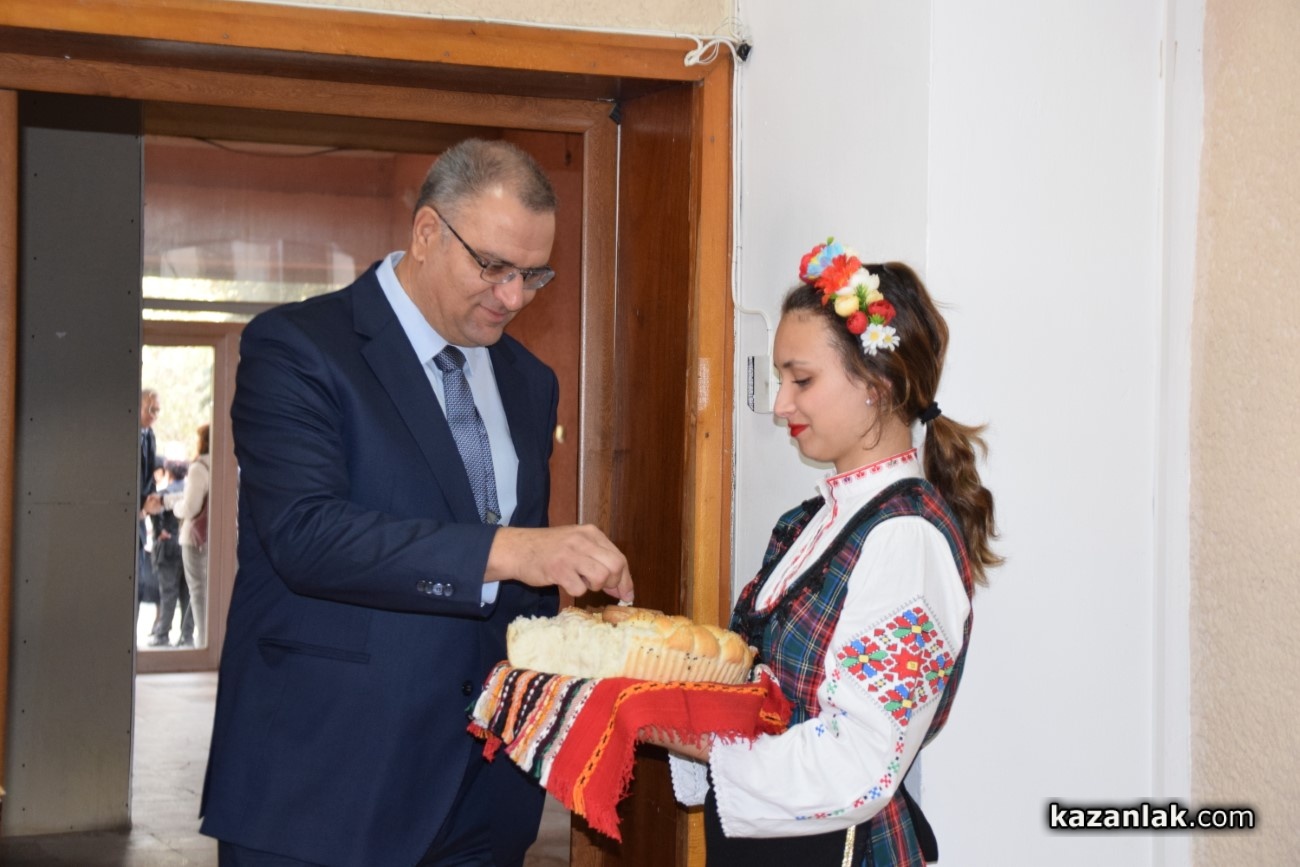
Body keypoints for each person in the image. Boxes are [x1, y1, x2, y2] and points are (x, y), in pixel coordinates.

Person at [200, 138, 634, 867]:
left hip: (484, 796)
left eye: (533, 275)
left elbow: (516, 594)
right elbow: (307, 535)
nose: (514, 298)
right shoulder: (299, 347)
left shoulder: (530, 380)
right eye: (493, 267)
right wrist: (514, 549)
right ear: (428, 232)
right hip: (325, 784)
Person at [653, 239, 1001, 866]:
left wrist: (691, 734)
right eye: (780, 377)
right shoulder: (806, 523)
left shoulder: (907, 541)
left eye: (802, 379)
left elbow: (861, 761)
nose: (780, 403)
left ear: (878, 384)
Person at [166, 424, 213, 646]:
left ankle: (203, 646)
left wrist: (176, 509)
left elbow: (191, 507)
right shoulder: (229, 465)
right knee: (212, 597)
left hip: (196, 540)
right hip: (217, 539)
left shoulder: (199, 467)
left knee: (199, 595)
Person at [149, 459, 194, 647]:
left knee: (168, 592)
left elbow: (154, 511)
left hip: (168, 547)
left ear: (169, 473)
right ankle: (187, 636)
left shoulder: (165, 493)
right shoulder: (189, 490)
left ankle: (162, 634)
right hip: (188, 545)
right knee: (188, 594)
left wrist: (159, 531)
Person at [137, 388, 162, 632]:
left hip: (141, 523)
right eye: (150, 409)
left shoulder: (150, 435)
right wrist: (140, 509)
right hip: (128, 516)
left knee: (137, 586)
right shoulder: (127, 435)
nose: (154, 415)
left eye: (157, 410)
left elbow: (149, 478)